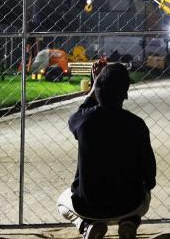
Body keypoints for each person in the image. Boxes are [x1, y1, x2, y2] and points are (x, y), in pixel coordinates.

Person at [57, 62, 156, 239]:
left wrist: (93, 88)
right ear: (125, 93)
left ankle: (87, 225)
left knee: (62, 202)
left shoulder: (84, 121)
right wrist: (146, 185)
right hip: (129, 203)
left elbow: (80, 113)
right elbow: (150, 173)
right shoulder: (136, 124)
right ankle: (130, 222)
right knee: (144, 192)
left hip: (90, 206)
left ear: (96, 90)